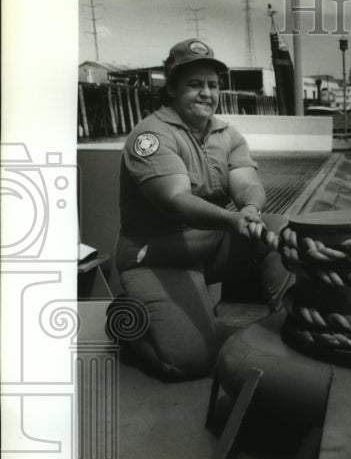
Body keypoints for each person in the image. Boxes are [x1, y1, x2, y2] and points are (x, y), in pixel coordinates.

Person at [110, 38, 292, 380]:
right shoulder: (150, 136)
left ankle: (291, 323)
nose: (206, 93)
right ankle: (125, 319)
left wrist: (251, 208)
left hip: (210, 246)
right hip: (159, 257)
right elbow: (175, 200)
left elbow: (246, 183)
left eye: (212, 85)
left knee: (279, 226)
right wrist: (229, 219)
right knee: (189, 363)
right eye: (195, 84)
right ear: (172, 90)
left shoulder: (227, 134)